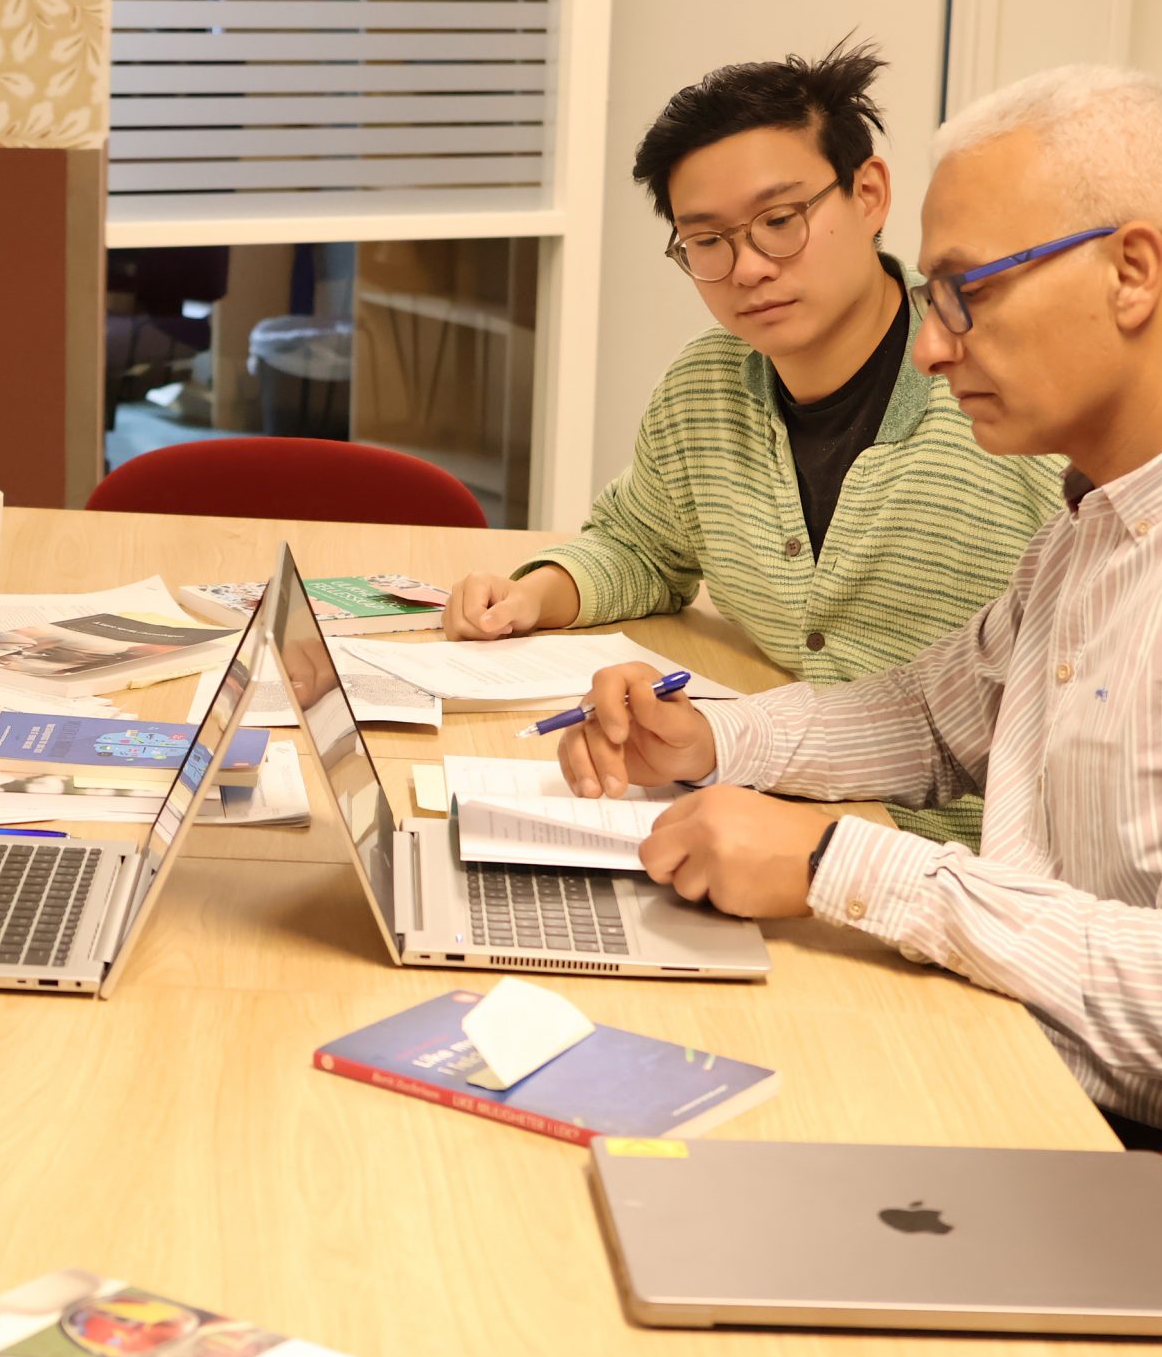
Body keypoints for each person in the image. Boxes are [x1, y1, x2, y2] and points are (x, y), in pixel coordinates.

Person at [559, 65, 1162, 1143]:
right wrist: (710, 741)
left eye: (969, 292)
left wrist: (832, 861)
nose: (929, 345)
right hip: (1030, 1061)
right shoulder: (1102, 516)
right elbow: (929, 717)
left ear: (1132, 272)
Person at [446, 41, 1064, 848]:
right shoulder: (710, 385)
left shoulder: (1004, 407)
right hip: (772, 805)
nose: (747, 268)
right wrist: (535, 592)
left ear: (869, 194)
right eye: (707, 241)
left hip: (953, 861)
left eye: (780, 222)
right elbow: (643, 542)